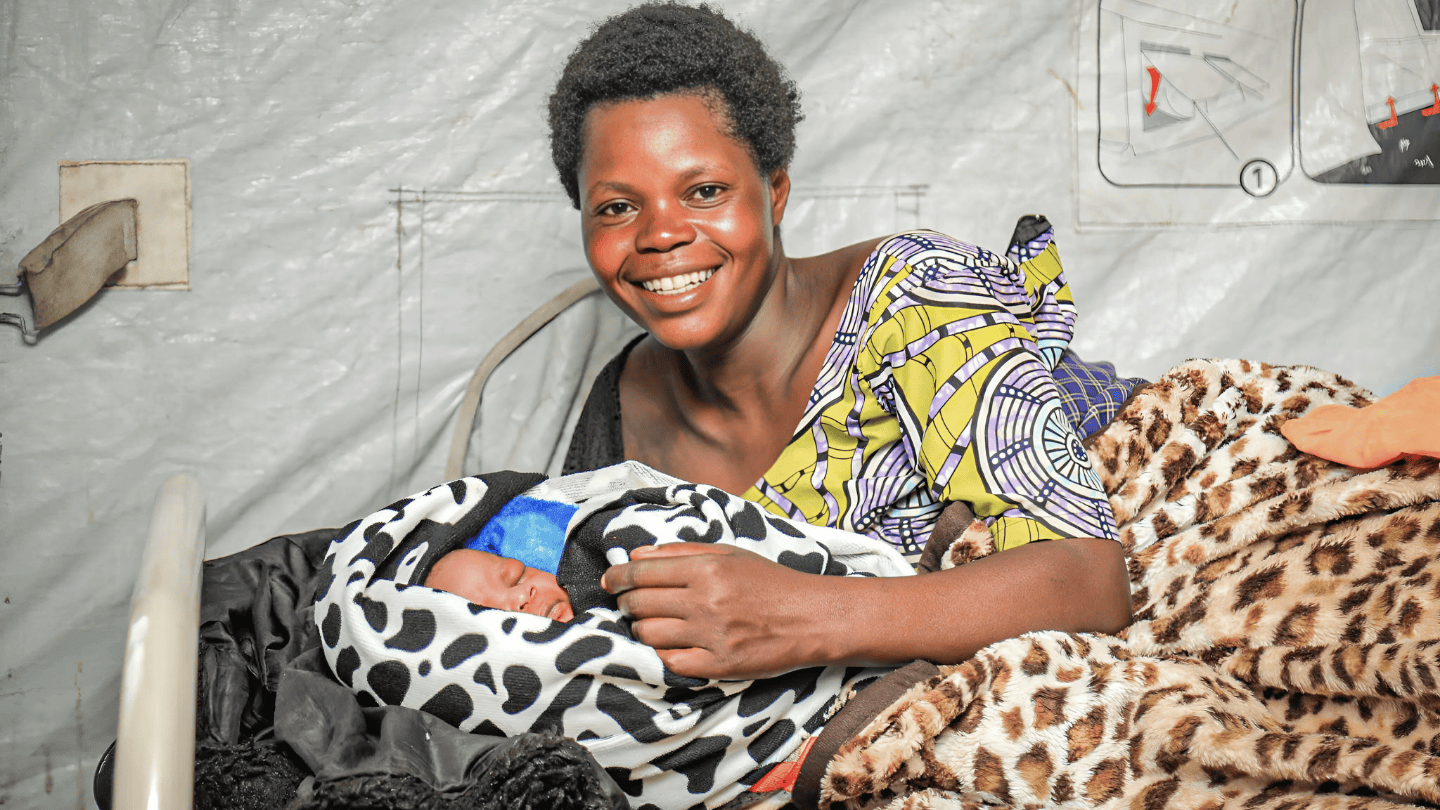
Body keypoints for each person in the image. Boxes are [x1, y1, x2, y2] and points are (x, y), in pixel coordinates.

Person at [546, 2, 1133, 682]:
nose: (661, 235)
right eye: (617, 207)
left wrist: (799, 615)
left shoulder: (915, 296)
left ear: (774, 194)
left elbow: (1090, 582)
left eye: (704, 191)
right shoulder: (618, 409)